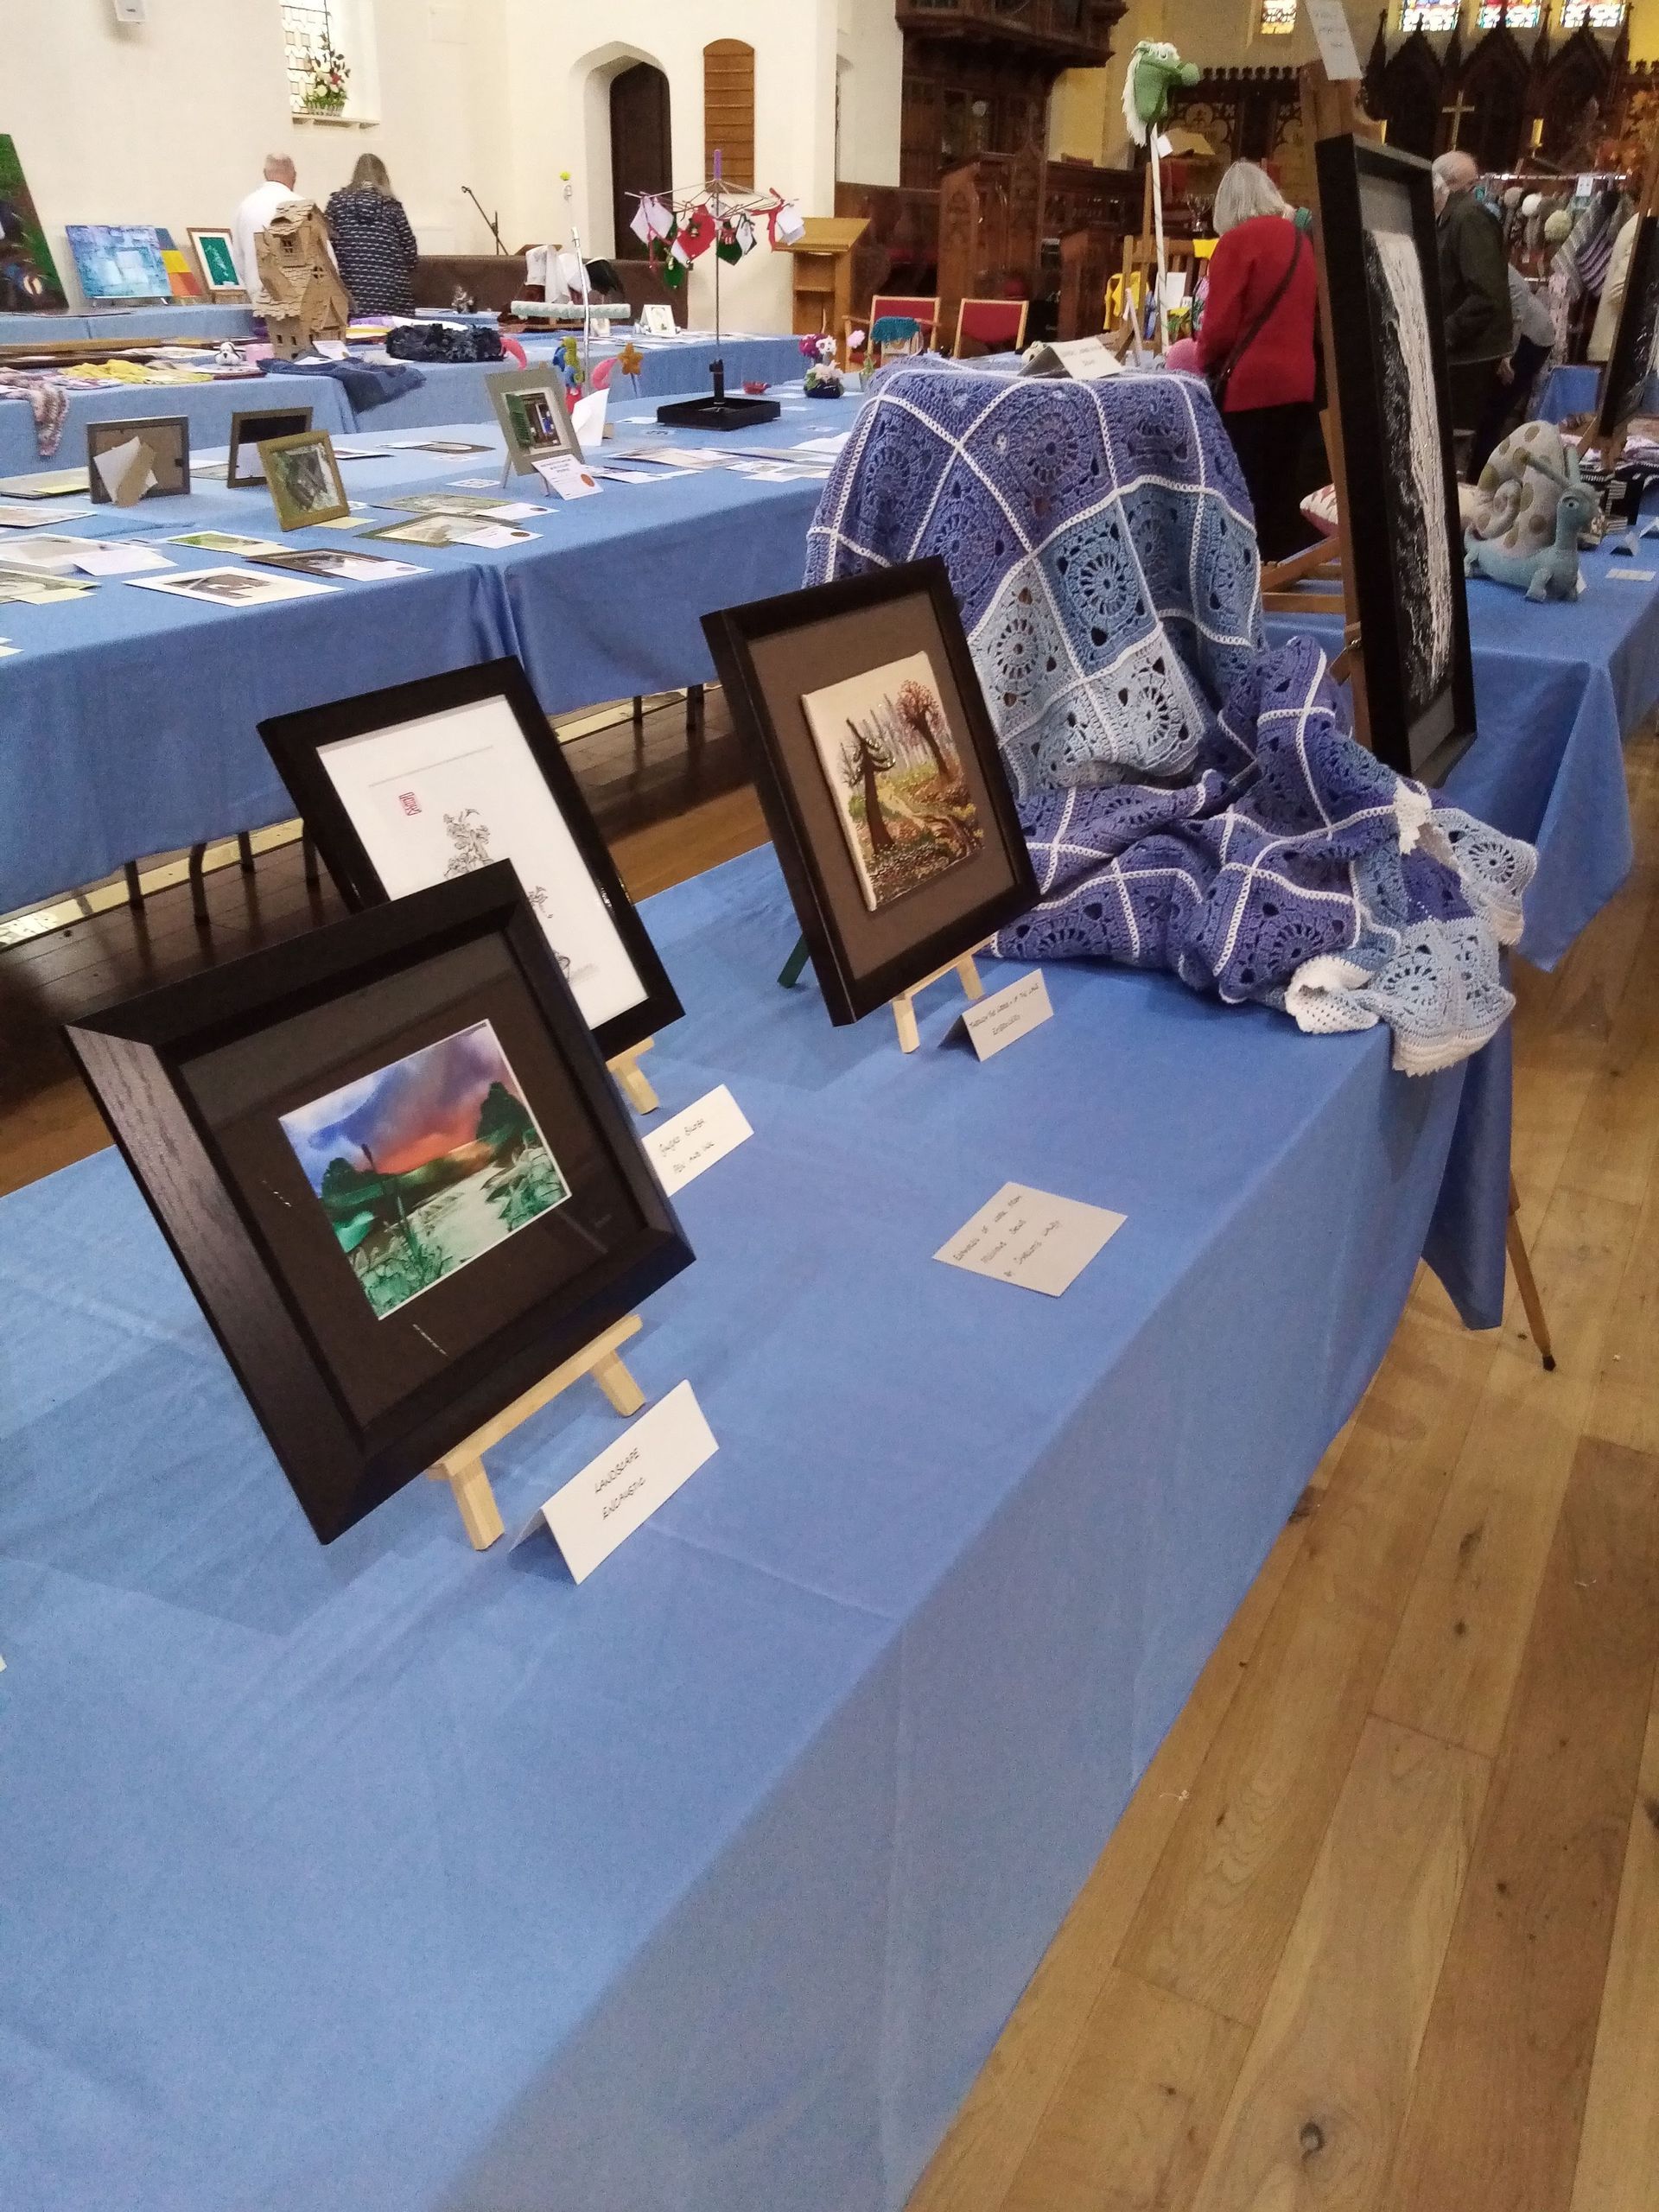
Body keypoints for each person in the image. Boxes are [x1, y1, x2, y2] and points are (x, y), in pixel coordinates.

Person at [1195, 160, 1323, 560]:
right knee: (1280, 488)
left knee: (1241, 488)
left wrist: (1200, 360)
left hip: (1252, 386)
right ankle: (1273, 570)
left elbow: (1218, 329)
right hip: (1300, 382)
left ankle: (1240, 572)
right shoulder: (1302, 241)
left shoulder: (1237, 242)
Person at [1433, 152, 1510, 448]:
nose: (1477, 188)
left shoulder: (1469, 217)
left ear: (1447, 184)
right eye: (1474, 183)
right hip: (1463, 351)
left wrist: (1445, 333)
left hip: (1468, 356)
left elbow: (1486, 294)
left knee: (1452, 444)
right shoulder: (1453, 218)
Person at [1466, 264, 1556, 480]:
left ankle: (1478, 484)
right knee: (1487, 413)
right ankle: (1480, 478)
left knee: (1492, 413)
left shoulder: (1482, 252)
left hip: (1530, 336)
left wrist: (1506, 352)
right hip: (1511, 334)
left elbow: (1519, 293)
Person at [326, 155, 418, 316]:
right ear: (383, 177)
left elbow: (326, 246)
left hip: (351, 292)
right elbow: (410, 255)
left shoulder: (336, 205)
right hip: (393, 295)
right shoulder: (392, 207)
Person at [232, 153, 298, 298]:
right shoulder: (301, 204)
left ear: (265, 174)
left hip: (259, 296)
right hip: (298, 298)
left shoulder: (245, 207)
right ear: (294, 176)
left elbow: (238, 258)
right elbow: (324, 256)